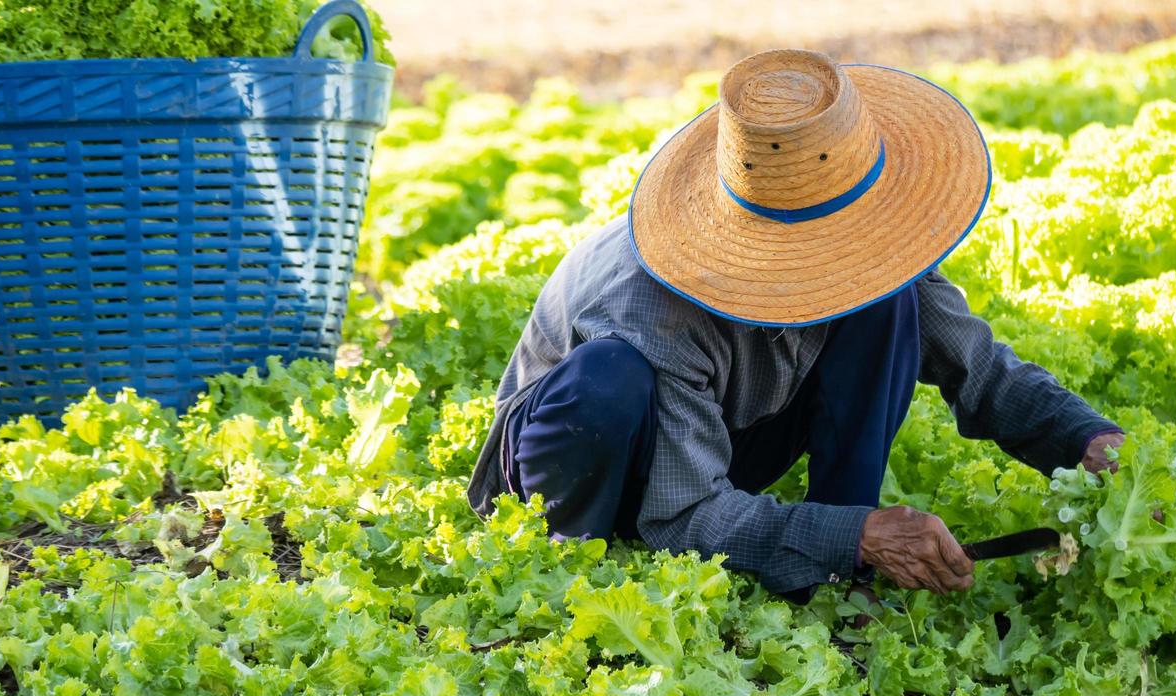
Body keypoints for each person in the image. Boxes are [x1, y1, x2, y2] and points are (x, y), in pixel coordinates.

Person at [467, 49, 1122, 601]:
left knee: (890, 304)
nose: (842, 260)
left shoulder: (870, 251)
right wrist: (855, 534)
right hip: (580, 459)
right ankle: (575, 559)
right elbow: (684, 513)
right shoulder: (649, 306)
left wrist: (1084, 438)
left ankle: (840, 570)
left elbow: (980, 372)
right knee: (608, 382)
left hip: (707, 437)